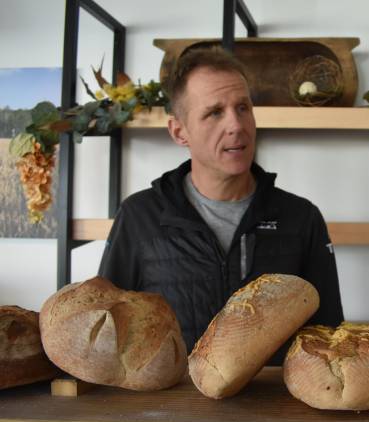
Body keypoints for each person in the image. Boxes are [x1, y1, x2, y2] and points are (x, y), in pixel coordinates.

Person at [98, 47, 344, 364]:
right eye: (214, 112)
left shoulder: (301, 218)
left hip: (275, 407)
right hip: (172, 409)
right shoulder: (139, 217)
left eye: (243, 107)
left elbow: (330, 335)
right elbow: (109, 333)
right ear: (179, 131)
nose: (236, 125)